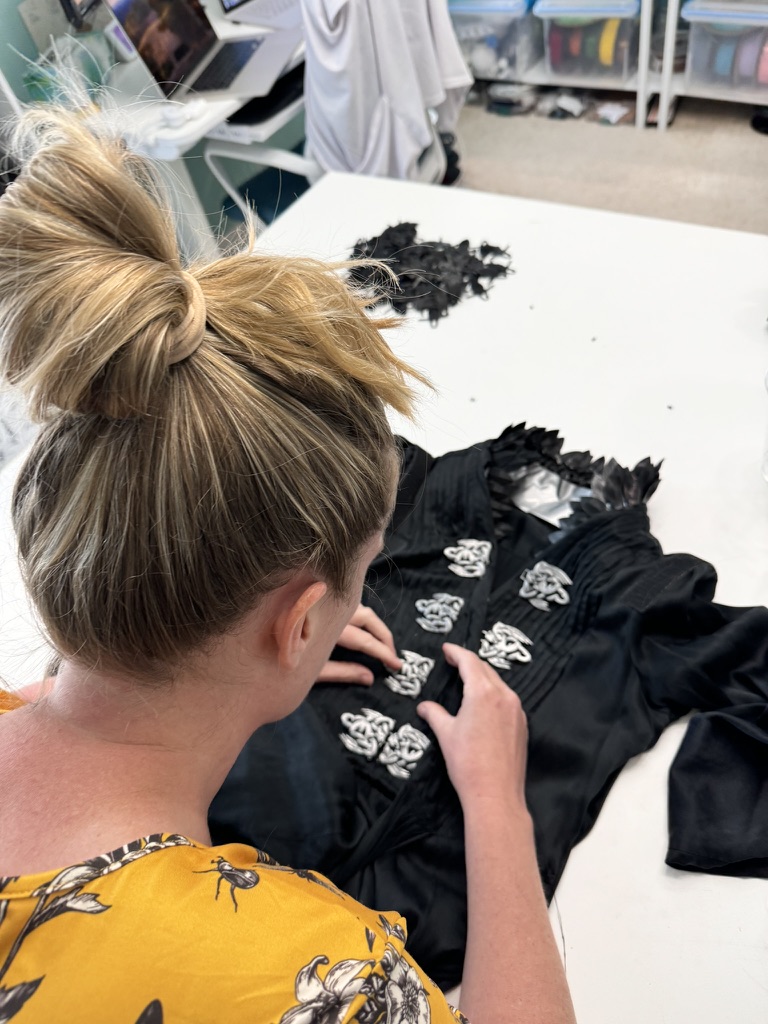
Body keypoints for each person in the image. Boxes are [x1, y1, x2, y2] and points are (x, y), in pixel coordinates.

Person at [0, 107, 576, 1024]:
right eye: (363, 569)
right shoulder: (316, 976)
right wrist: (499, 809)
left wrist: (244, 644)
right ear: (301, 622)